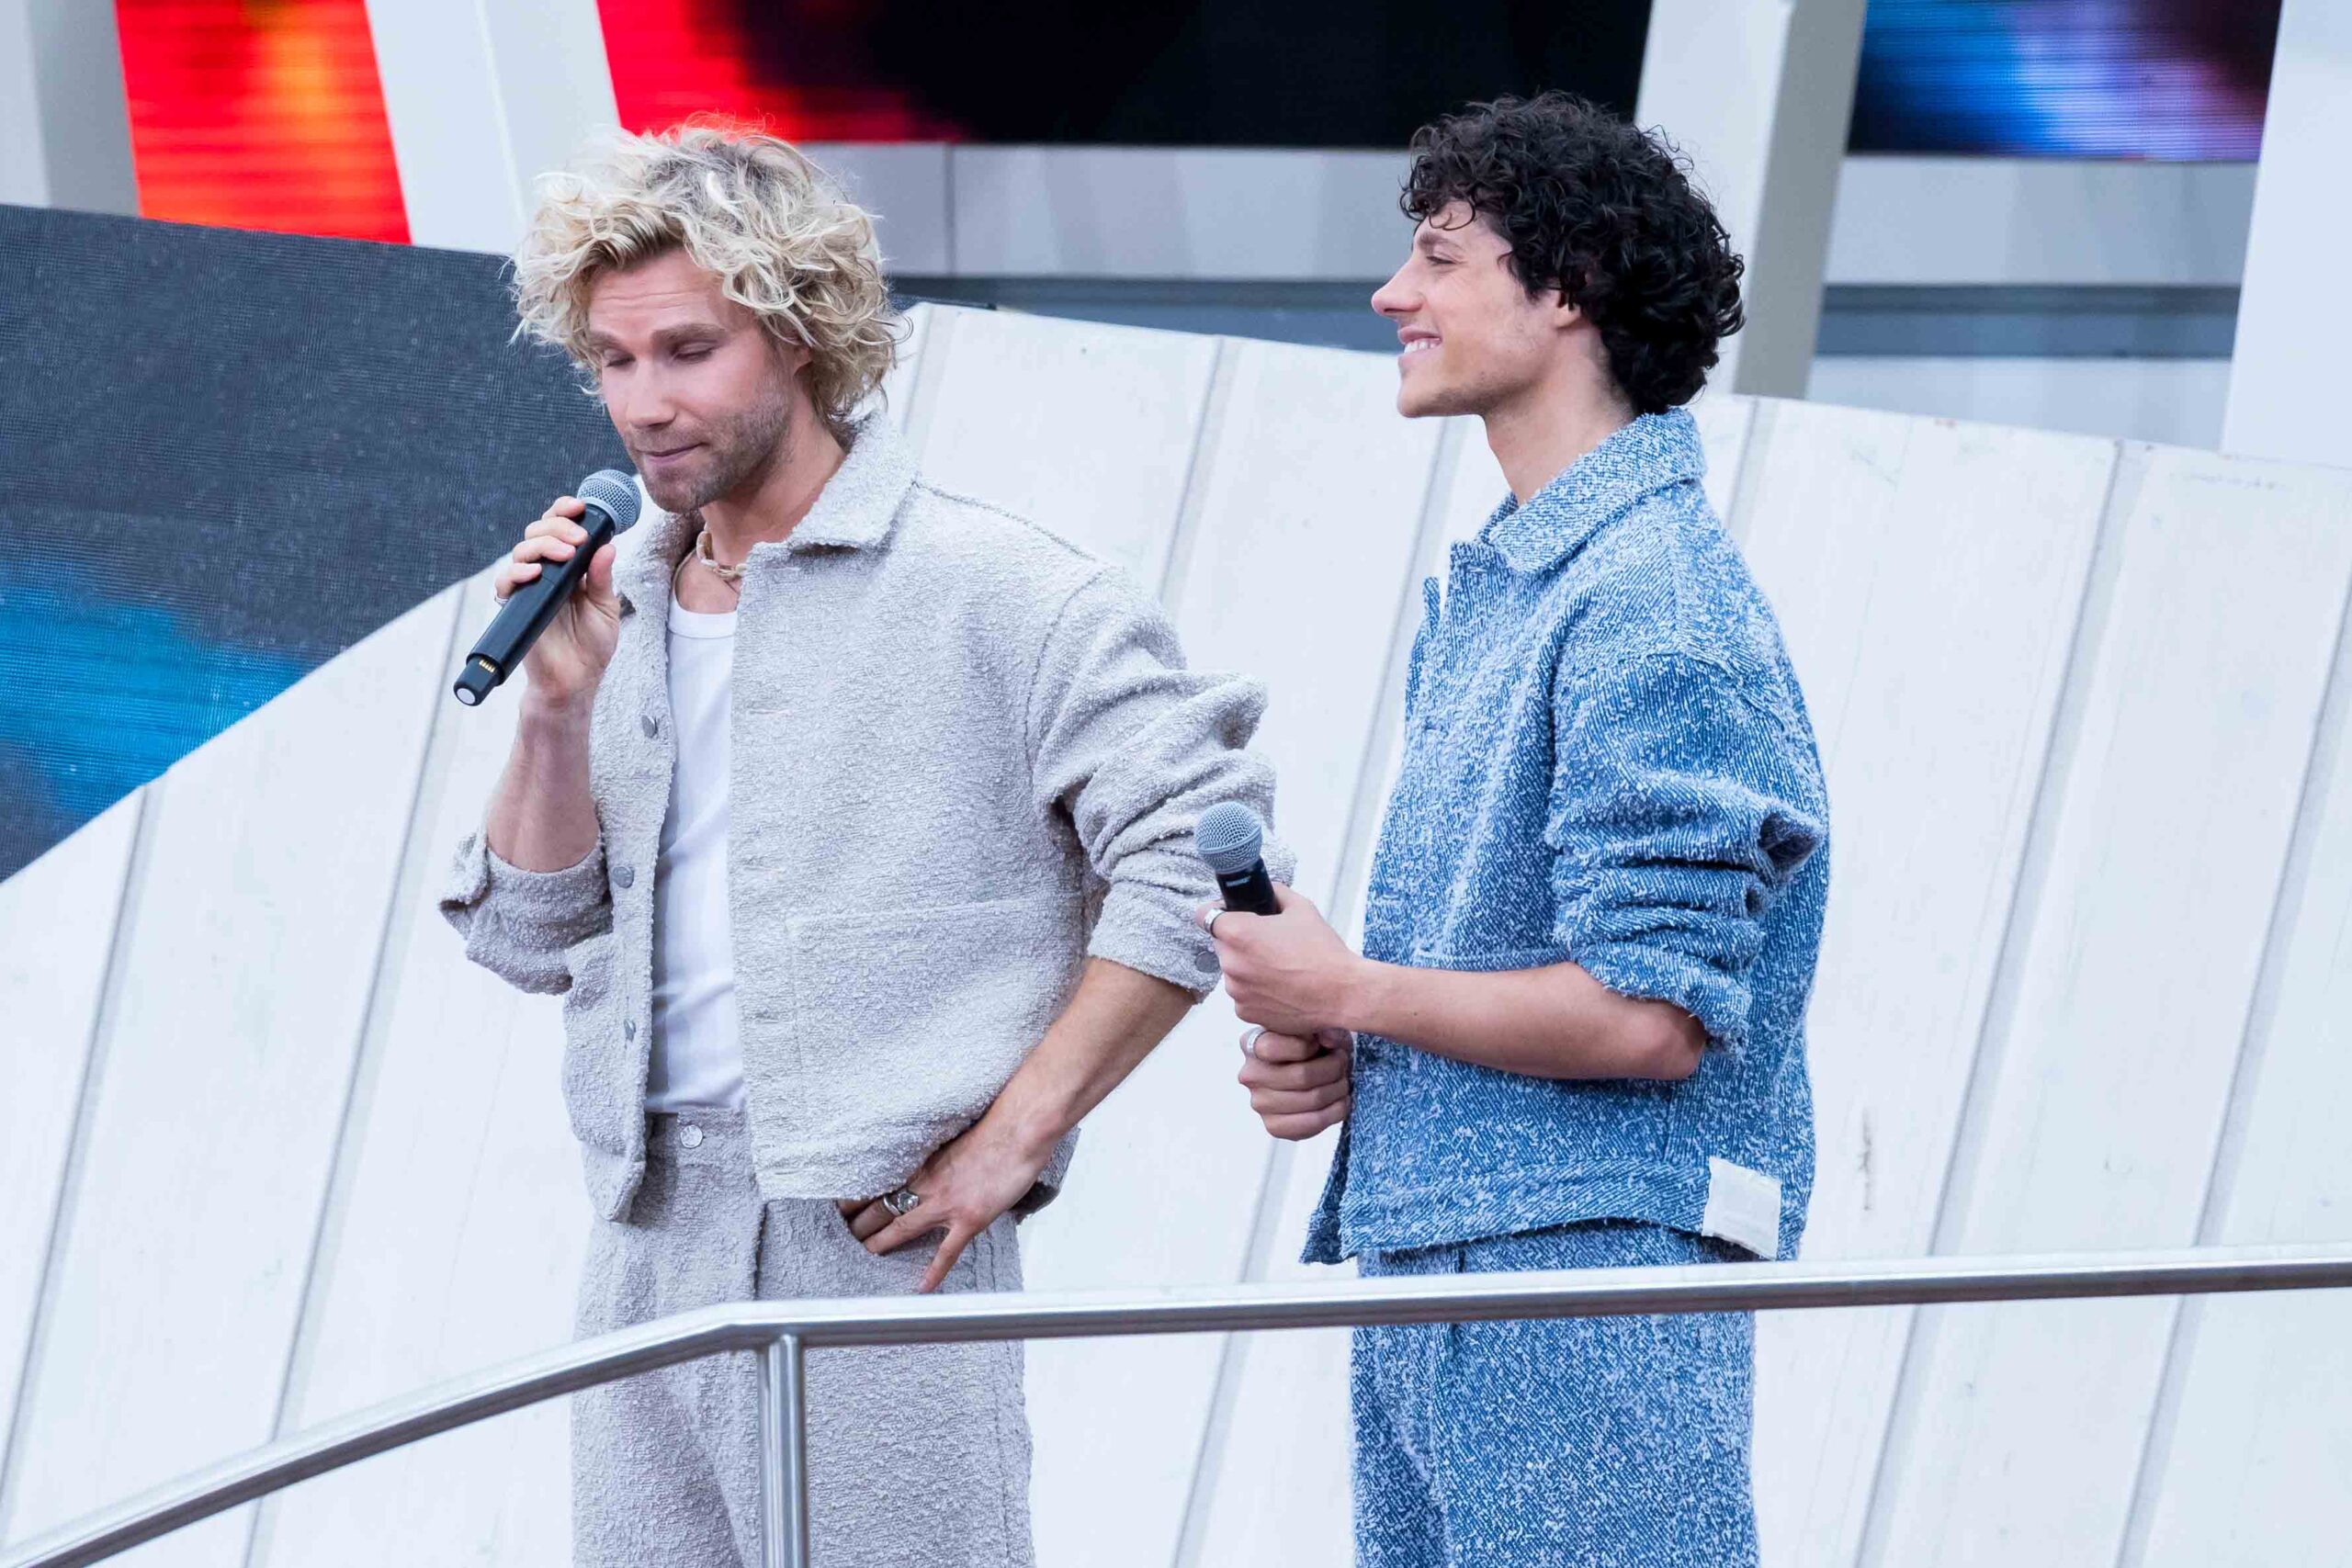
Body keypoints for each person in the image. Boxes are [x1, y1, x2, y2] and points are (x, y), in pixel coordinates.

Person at [440, 126, 1284, 1568]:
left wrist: (1015, 1139)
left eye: (689, 351)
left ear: (800, 335)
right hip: (642, 1233)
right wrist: (557, 708)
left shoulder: (1003, 590)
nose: (644, 403)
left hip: (875, 1234)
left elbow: (1190, 857)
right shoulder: (617, 601)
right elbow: (526, 932)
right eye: (615, 360)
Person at [1204, 93, 1829, 1568]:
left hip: (1579, 1290)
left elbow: (1650, 1018)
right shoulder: (1537, 586)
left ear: (1569, 289)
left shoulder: (1650, 603)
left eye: (1439, 256)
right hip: (1455, 1265)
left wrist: (1352, 991)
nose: (1392, 294)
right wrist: (1354, 1041)